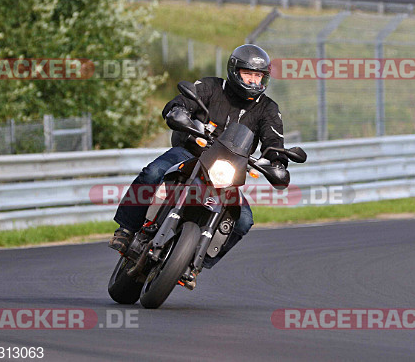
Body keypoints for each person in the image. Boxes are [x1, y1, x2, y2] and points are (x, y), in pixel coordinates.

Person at [109, 44, 289, 287]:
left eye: (258, 76)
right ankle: (127, 230)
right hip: (190, 153)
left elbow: (273, 141)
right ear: (235, 71)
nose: (254, 80)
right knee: (154, 172)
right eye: (249, 74)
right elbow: (180, 102)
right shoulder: (211, 87)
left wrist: (277, 162)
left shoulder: (268, 109)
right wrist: (178, 111)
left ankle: (194, 263)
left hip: (228, 171)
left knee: (243, 219)